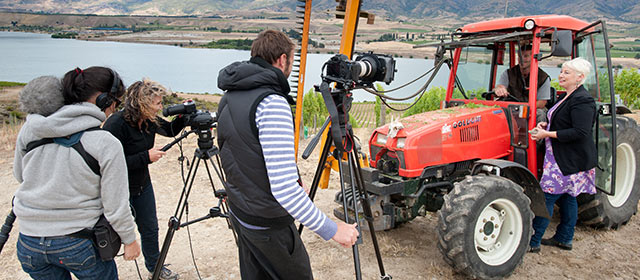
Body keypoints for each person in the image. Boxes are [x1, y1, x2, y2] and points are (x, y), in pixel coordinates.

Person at [216, 29, 360, 279]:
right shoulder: (271, 102)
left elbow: (243, 154)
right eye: (292, 61)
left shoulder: (229, 96)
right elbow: (283, 189)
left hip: (242, 215)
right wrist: (333, 229)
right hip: (269, 224)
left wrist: (292, 179)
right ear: (283, 60)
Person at [13, 67, 140, 279]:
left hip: (30, 241)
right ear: (103, 100)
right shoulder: (105, 142)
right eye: (116, 104)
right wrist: (130, 240)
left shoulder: (30, 129)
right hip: (78, 240)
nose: (113, 111)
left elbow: (21, 175)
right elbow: (115, 204)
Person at [103, 78, 185, 280]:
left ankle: (155, 268)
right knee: (112, 234)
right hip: (119, 189)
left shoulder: (149, 120)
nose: (160, 107)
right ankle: (103, 272)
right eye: (157, 103)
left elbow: (170, 130)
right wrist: (145, 157)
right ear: (142, 103)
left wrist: (185, 115)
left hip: (142, 185)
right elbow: (107, 163)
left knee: (150, 228)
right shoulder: (116, 124)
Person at [528, 57, 597, 252]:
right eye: (561, 71)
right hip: (558, 155)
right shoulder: (566, 96)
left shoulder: (583, 99)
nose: (561, 75)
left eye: (567, 73)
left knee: (547, 198)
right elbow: (562, 120)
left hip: (568, 158)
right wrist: (546, 124)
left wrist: (547, 133)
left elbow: (580, 131)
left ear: (580, 77)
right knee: (568, 197)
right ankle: (564, 238)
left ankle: (533, 242)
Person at [495, 44, 551, 122]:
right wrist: (500, 89)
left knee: (540, 114)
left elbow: (542, 103)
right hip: (512, 108)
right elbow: (501, 86)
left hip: (532, 108)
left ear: (534, 58)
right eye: (520, 56)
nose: (522, 59)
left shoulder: (543, 77)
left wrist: (522, 107)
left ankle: (537, 134)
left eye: (525, 56)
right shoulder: (509, 73)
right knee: (496, 112)